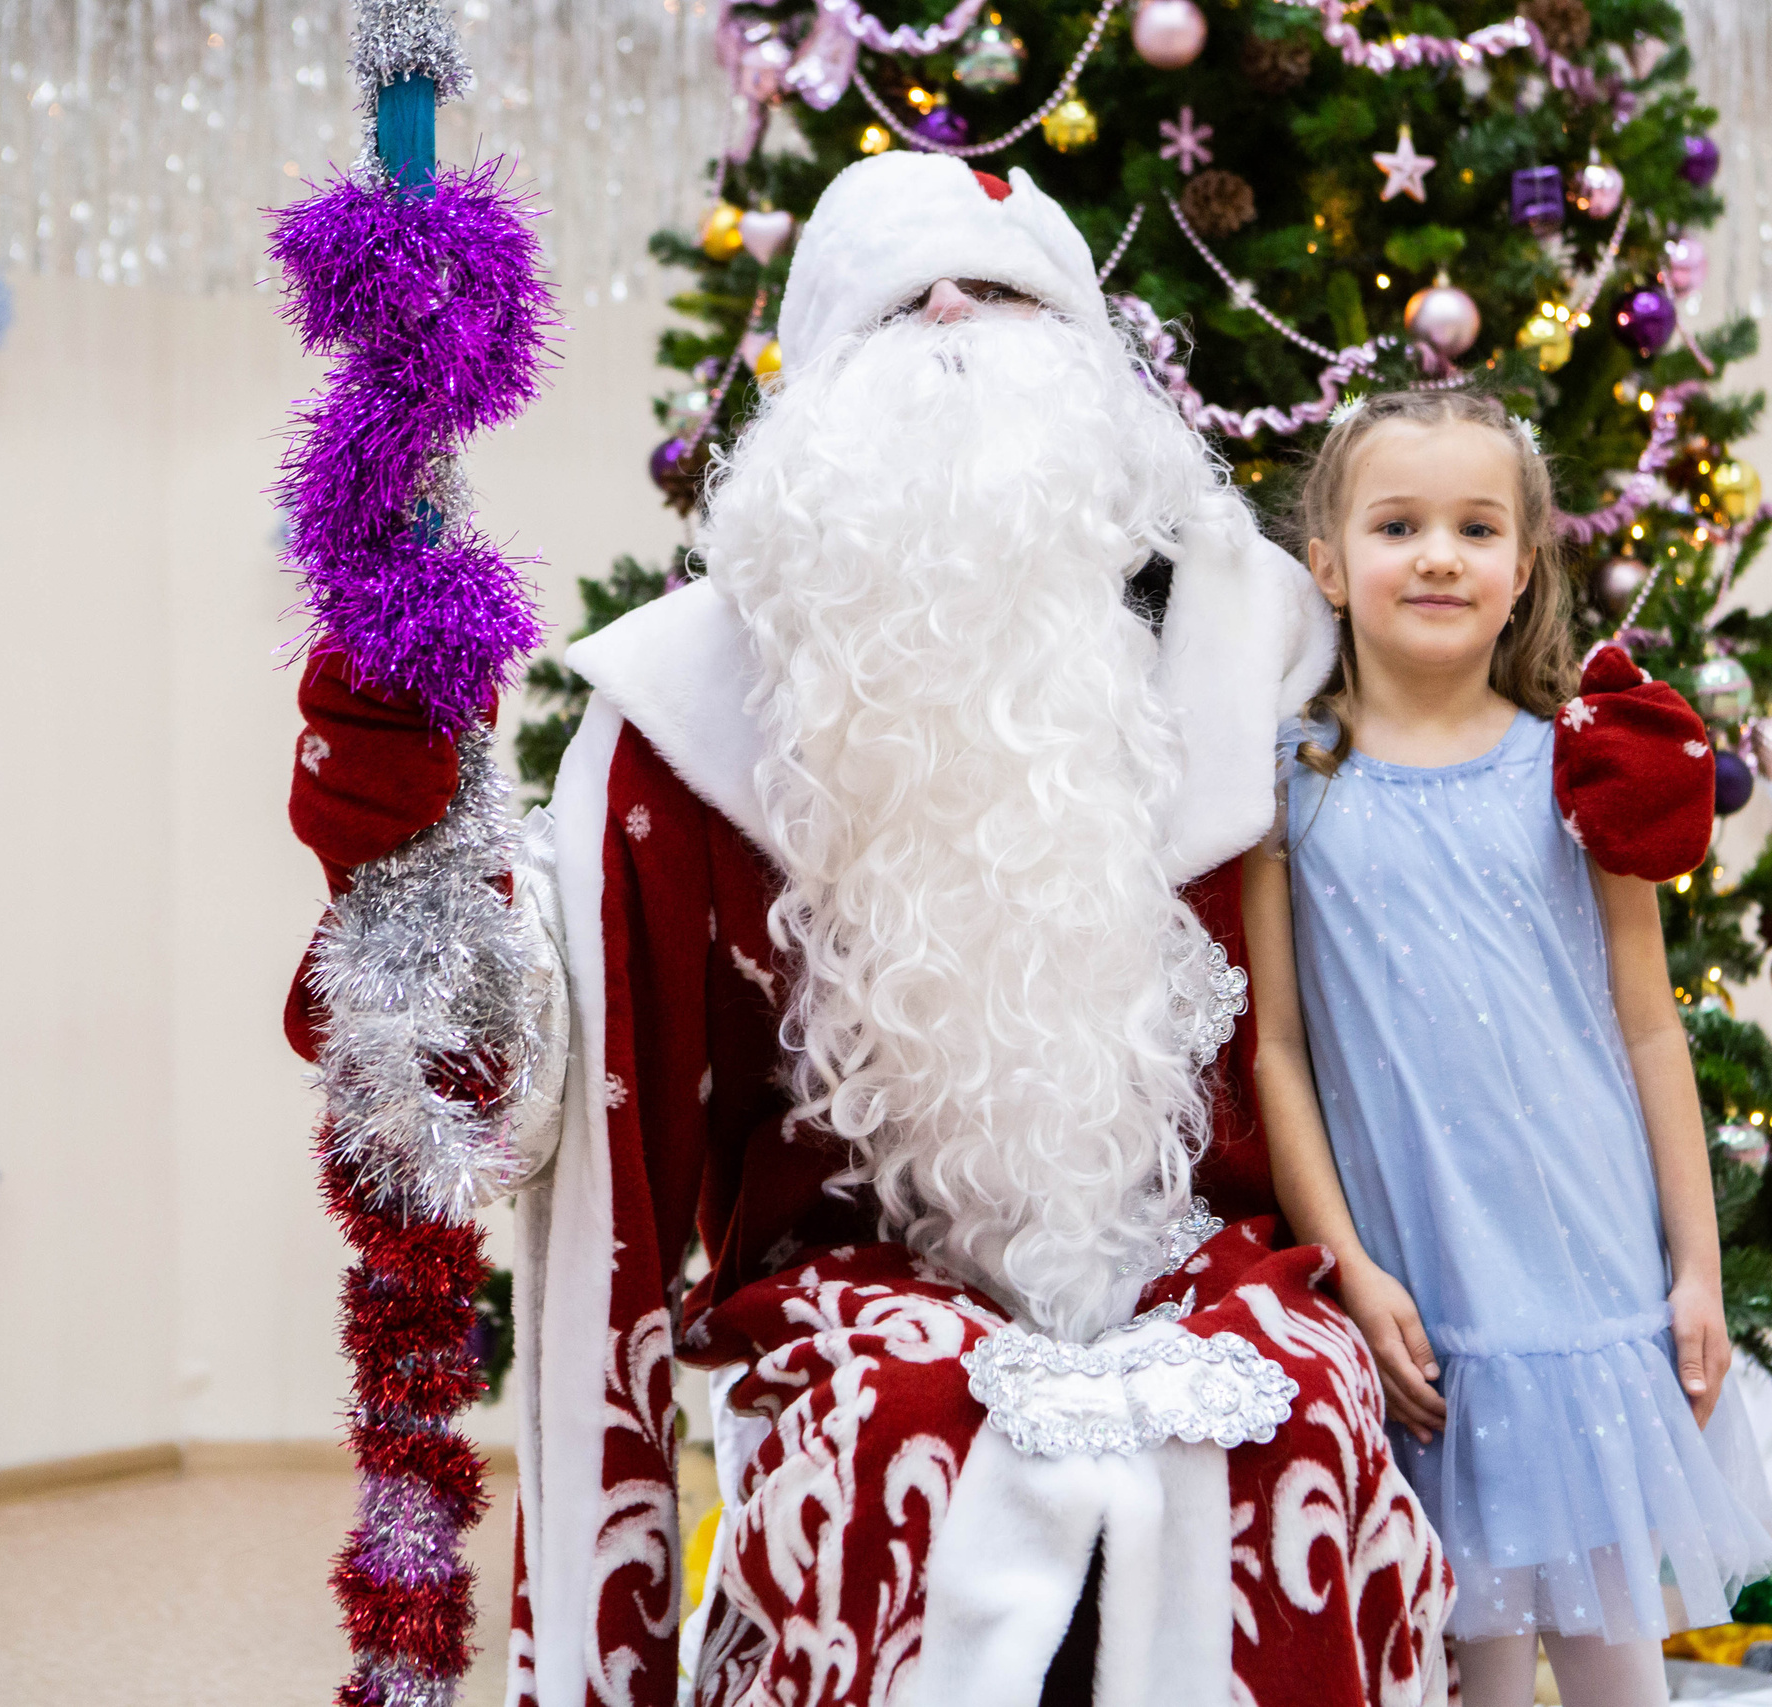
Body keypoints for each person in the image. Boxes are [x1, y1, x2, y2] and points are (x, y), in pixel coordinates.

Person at [286, 152, 1461, 1707]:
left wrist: (1579, 775)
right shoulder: (686, 715)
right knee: (900, 1430)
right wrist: (402, 843)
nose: (955, 319)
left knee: (1293, 1412)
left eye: (1008, 295)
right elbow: (530, 1086)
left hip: (1197, 1259)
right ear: (813, 398)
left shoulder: (1262, 646)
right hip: (848, 1274)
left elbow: (1447, 854)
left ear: (1098, 370)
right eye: (903, 307)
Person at [1242, 390, 1772, 1707]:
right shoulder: (1284, 784)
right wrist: (1346, 1265)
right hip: (1426, 1290)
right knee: (1459, 1658)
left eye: (1477, 529)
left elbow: (1649, 1026)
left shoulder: (1582, 769)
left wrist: (1697, 1268)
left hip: (1591, 1280)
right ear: (1327, 565)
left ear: (1525, 565)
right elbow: (1277, 1051)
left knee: (1612, 1660)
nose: (1439, 555)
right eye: (1398, 526)